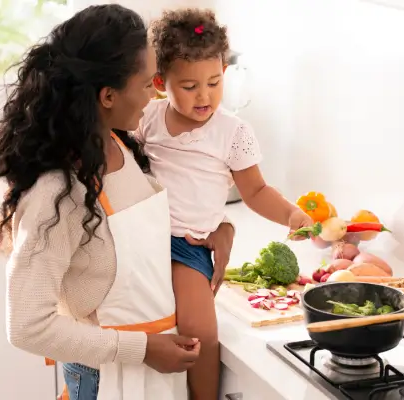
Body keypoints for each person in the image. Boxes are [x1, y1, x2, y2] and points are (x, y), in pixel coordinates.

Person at [0, 4, 235, 400]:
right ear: (108, 96)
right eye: (147, 84)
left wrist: (220, 228)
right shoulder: (57, 193)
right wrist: (143, 349)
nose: (154, 97)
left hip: (154, 373)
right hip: (106, 381)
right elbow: (27, 326)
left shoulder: (120, 145)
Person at [134, 8, 314, 400]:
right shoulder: (148, 116)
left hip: (189, 245)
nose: (204, 96)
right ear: (161, 84)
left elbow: (256, 190)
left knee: (201, 332)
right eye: (189, 86)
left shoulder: (232, 132)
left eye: (214, 83)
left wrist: (291, 214)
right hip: (141, 239)